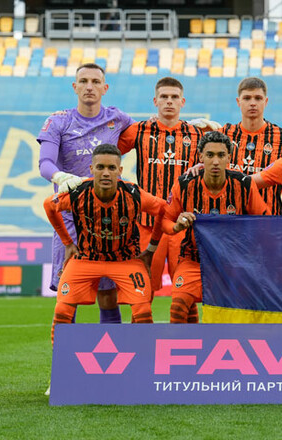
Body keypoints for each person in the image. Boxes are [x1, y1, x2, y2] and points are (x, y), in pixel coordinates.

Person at [37, 63, 134, 324]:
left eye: (95, 81)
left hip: (107, 219)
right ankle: (64, 349)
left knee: (108, 293)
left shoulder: (117, 118)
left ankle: (113, 348)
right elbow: (45, 163)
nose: (89, 86)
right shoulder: (58, 121)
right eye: (83, 81)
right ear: (75, 86)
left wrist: (185, 128)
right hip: (70, 217)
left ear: (105, 88)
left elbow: (151, 135)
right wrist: (60, 177)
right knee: (67, 293)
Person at [43, 144, 165, 350]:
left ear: (120, 170)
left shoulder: (133, 194)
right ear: (91, 169)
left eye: (111, 168)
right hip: (86, 260)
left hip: (125, 261)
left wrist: (152, 247)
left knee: (143, 311)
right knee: (62, 310)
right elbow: (49, 205)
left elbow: (163, 210)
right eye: (100, 167)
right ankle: (61, 363)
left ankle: (143, 360)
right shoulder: (79, 192)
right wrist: (67, 242)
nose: (106, 173)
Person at [117, 77, 207, 322]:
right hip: (146, 224)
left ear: (182, 102)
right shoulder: (139, 130)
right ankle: (141, 340)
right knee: (143, 288)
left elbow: (221, 155)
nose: (169, 101)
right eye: (164, 97)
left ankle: (189, 341)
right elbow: (108, 153)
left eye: (174, 97)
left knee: (186, 291)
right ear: (155, 101)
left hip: (182, 226)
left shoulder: (196, 134)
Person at [163, 131, 271, 323]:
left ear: (229, 157)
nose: (215, 161)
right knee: (178, 307)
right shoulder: (184, 184)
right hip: (193, 260)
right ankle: (185, 342)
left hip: (232, 263)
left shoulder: (243, 184)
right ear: (201, 157)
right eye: (210, 155)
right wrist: (177, 225)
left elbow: (265, 222)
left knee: (233, 314)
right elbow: (166, 221)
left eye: (221, 155)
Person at [222, 77, 282, 215]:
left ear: (266, 101)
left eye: (258, 98)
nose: (252, 103)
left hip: (269, 219)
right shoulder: (224, 134)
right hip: (231, 217)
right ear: (238, 102)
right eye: (247, 98)